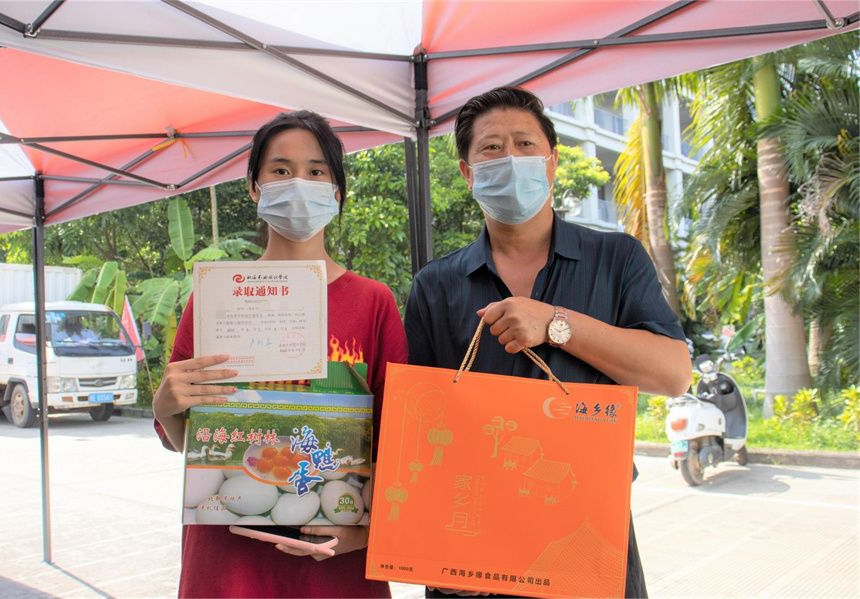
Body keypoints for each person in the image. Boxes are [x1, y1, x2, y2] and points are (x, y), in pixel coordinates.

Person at [404, 87, 692, 599]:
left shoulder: (616, 259)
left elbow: (673, 374)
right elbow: (417, 423)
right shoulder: (436, 284)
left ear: (552, 162)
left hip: (587, 540)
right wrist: (432, 541)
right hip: (471, 549)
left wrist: (557, 323)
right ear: (468, 173)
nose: (510, 158)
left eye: (525, 144)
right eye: (492, 148)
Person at [152, 110, 407, 598]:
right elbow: (196, 444)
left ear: (337, 191)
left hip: (335, 567)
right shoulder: (215, 297)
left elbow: (398, 442)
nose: (299, 184)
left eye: (316, 171)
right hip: (228, 570)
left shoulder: (373, 302)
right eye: (281, 170)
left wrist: (369, 532)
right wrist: (166, 407)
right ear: (255, 188)